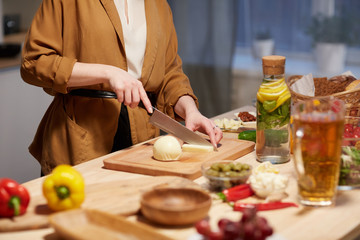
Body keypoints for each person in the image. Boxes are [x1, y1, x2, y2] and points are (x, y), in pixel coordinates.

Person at [21, 0, 223, 175]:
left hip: (142, 137)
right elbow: (34, 63)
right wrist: (108, 73)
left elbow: (169, 73)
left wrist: (190, 109)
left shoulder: (159, 4)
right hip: (80, 138)